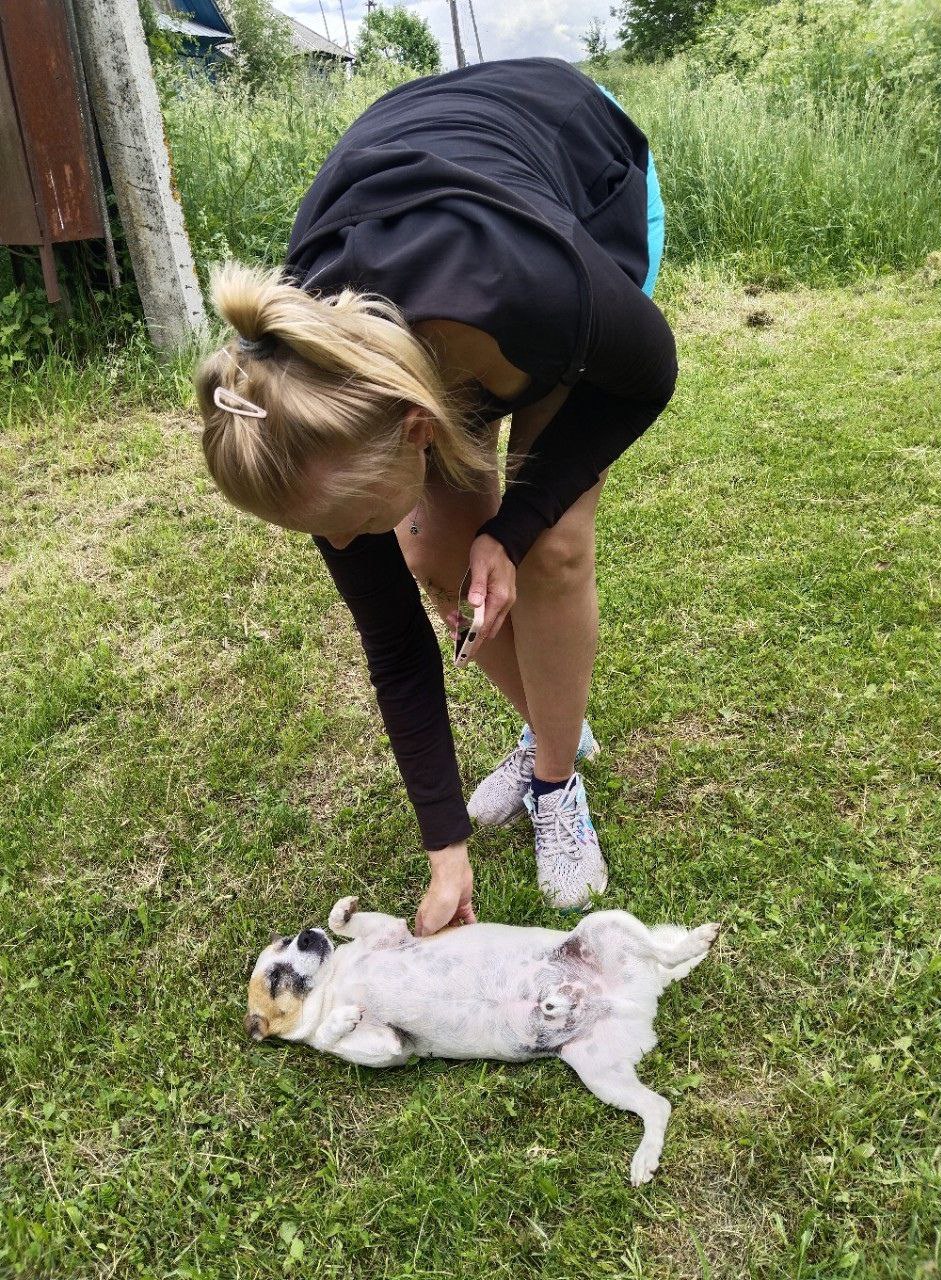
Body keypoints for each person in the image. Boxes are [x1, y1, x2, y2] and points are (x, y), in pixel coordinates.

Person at [194, 57, 676, 936]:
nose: (346, 546)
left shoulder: (540, 292)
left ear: (420, 427)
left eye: (351, 522)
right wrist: (444, 846)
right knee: (433, 552)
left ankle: (556, 782)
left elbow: (647, 375)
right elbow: (394, 643)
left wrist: (515, 528)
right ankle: (556, 725)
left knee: (553, 546)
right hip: (434, 238)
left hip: (583, 178)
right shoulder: (305, 404)